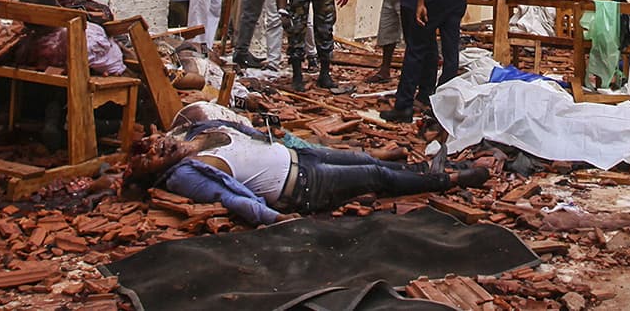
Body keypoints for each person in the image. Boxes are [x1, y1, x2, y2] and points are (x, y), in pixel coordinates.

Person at [126, 118, 488, 224]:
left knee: (372, 163)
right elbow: (229, 197)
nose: (157, 148)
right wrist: (275, 220)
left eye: (152, 143)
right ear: (156, 172)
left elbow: (257, 134)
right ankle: (448, 180)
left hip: (301, 159)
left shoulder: (196, 129)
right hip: (302, 187)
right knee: (378, 178)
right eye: (150, 159)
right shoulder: (184, 173)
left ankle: (430, 169)